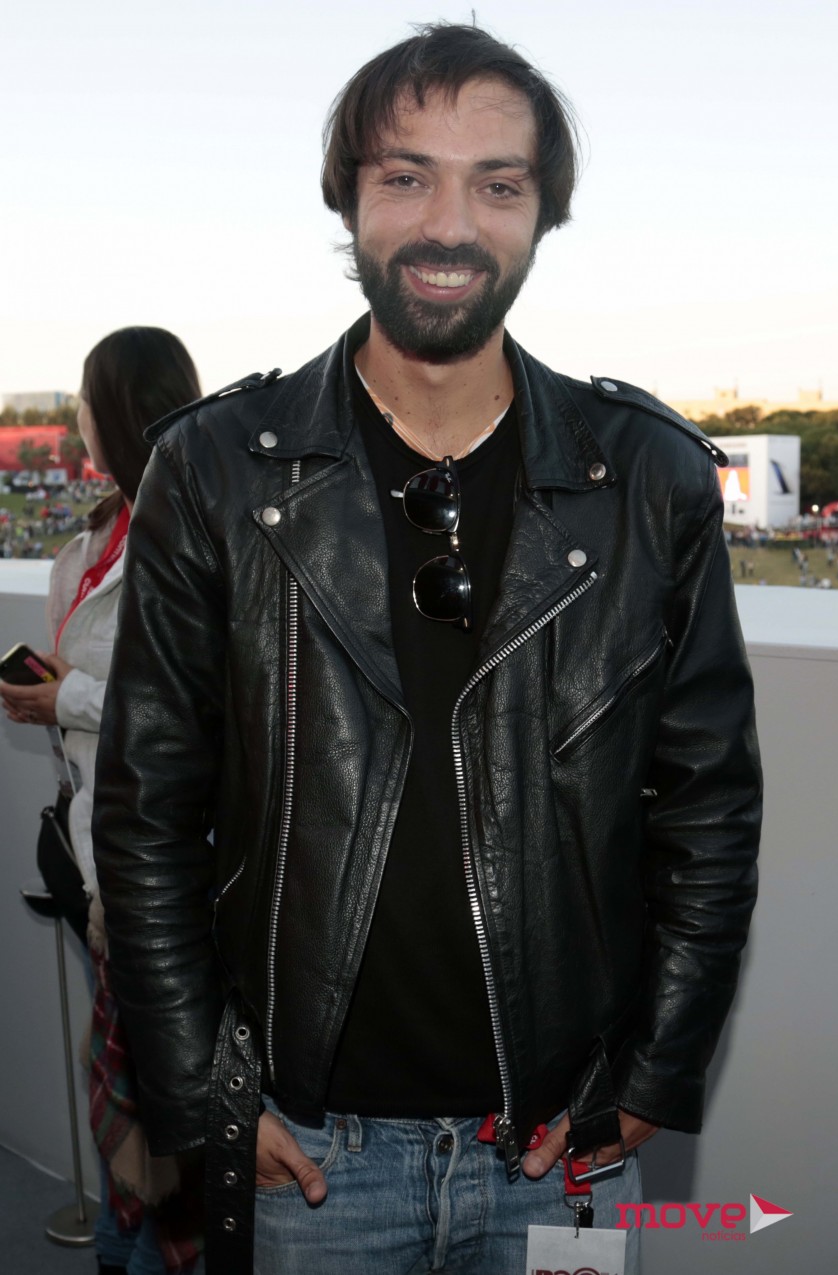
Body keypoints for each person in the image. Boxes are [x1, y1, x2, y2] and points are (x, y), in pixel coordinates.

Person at [92, 24, 762, 1275]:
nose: (449, 226)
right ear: (347, 198)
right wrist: (198, 1089)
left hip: (558, 1146)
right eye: (406, 177)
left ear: (543, 213)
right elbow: (147, 812)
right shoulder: (215, 469)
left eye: (496, 184)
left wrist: (651, 1074)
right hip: (309, 1155)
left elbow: (708, 812)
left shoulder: (648, 478)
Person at [2, 326, 203, 1275]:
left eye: (84, 398)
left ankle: (143, 1250)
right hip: (99, 853)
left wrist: (65, 697)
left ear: (117, 408)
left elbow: (190, 694)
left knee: (162, 1107)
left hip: (160, 860)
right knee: (124, 1091)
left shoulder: (190, 525)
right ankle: (127, 1246)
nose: (75, 414)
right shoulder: (103, 525)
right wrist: (56, 690)